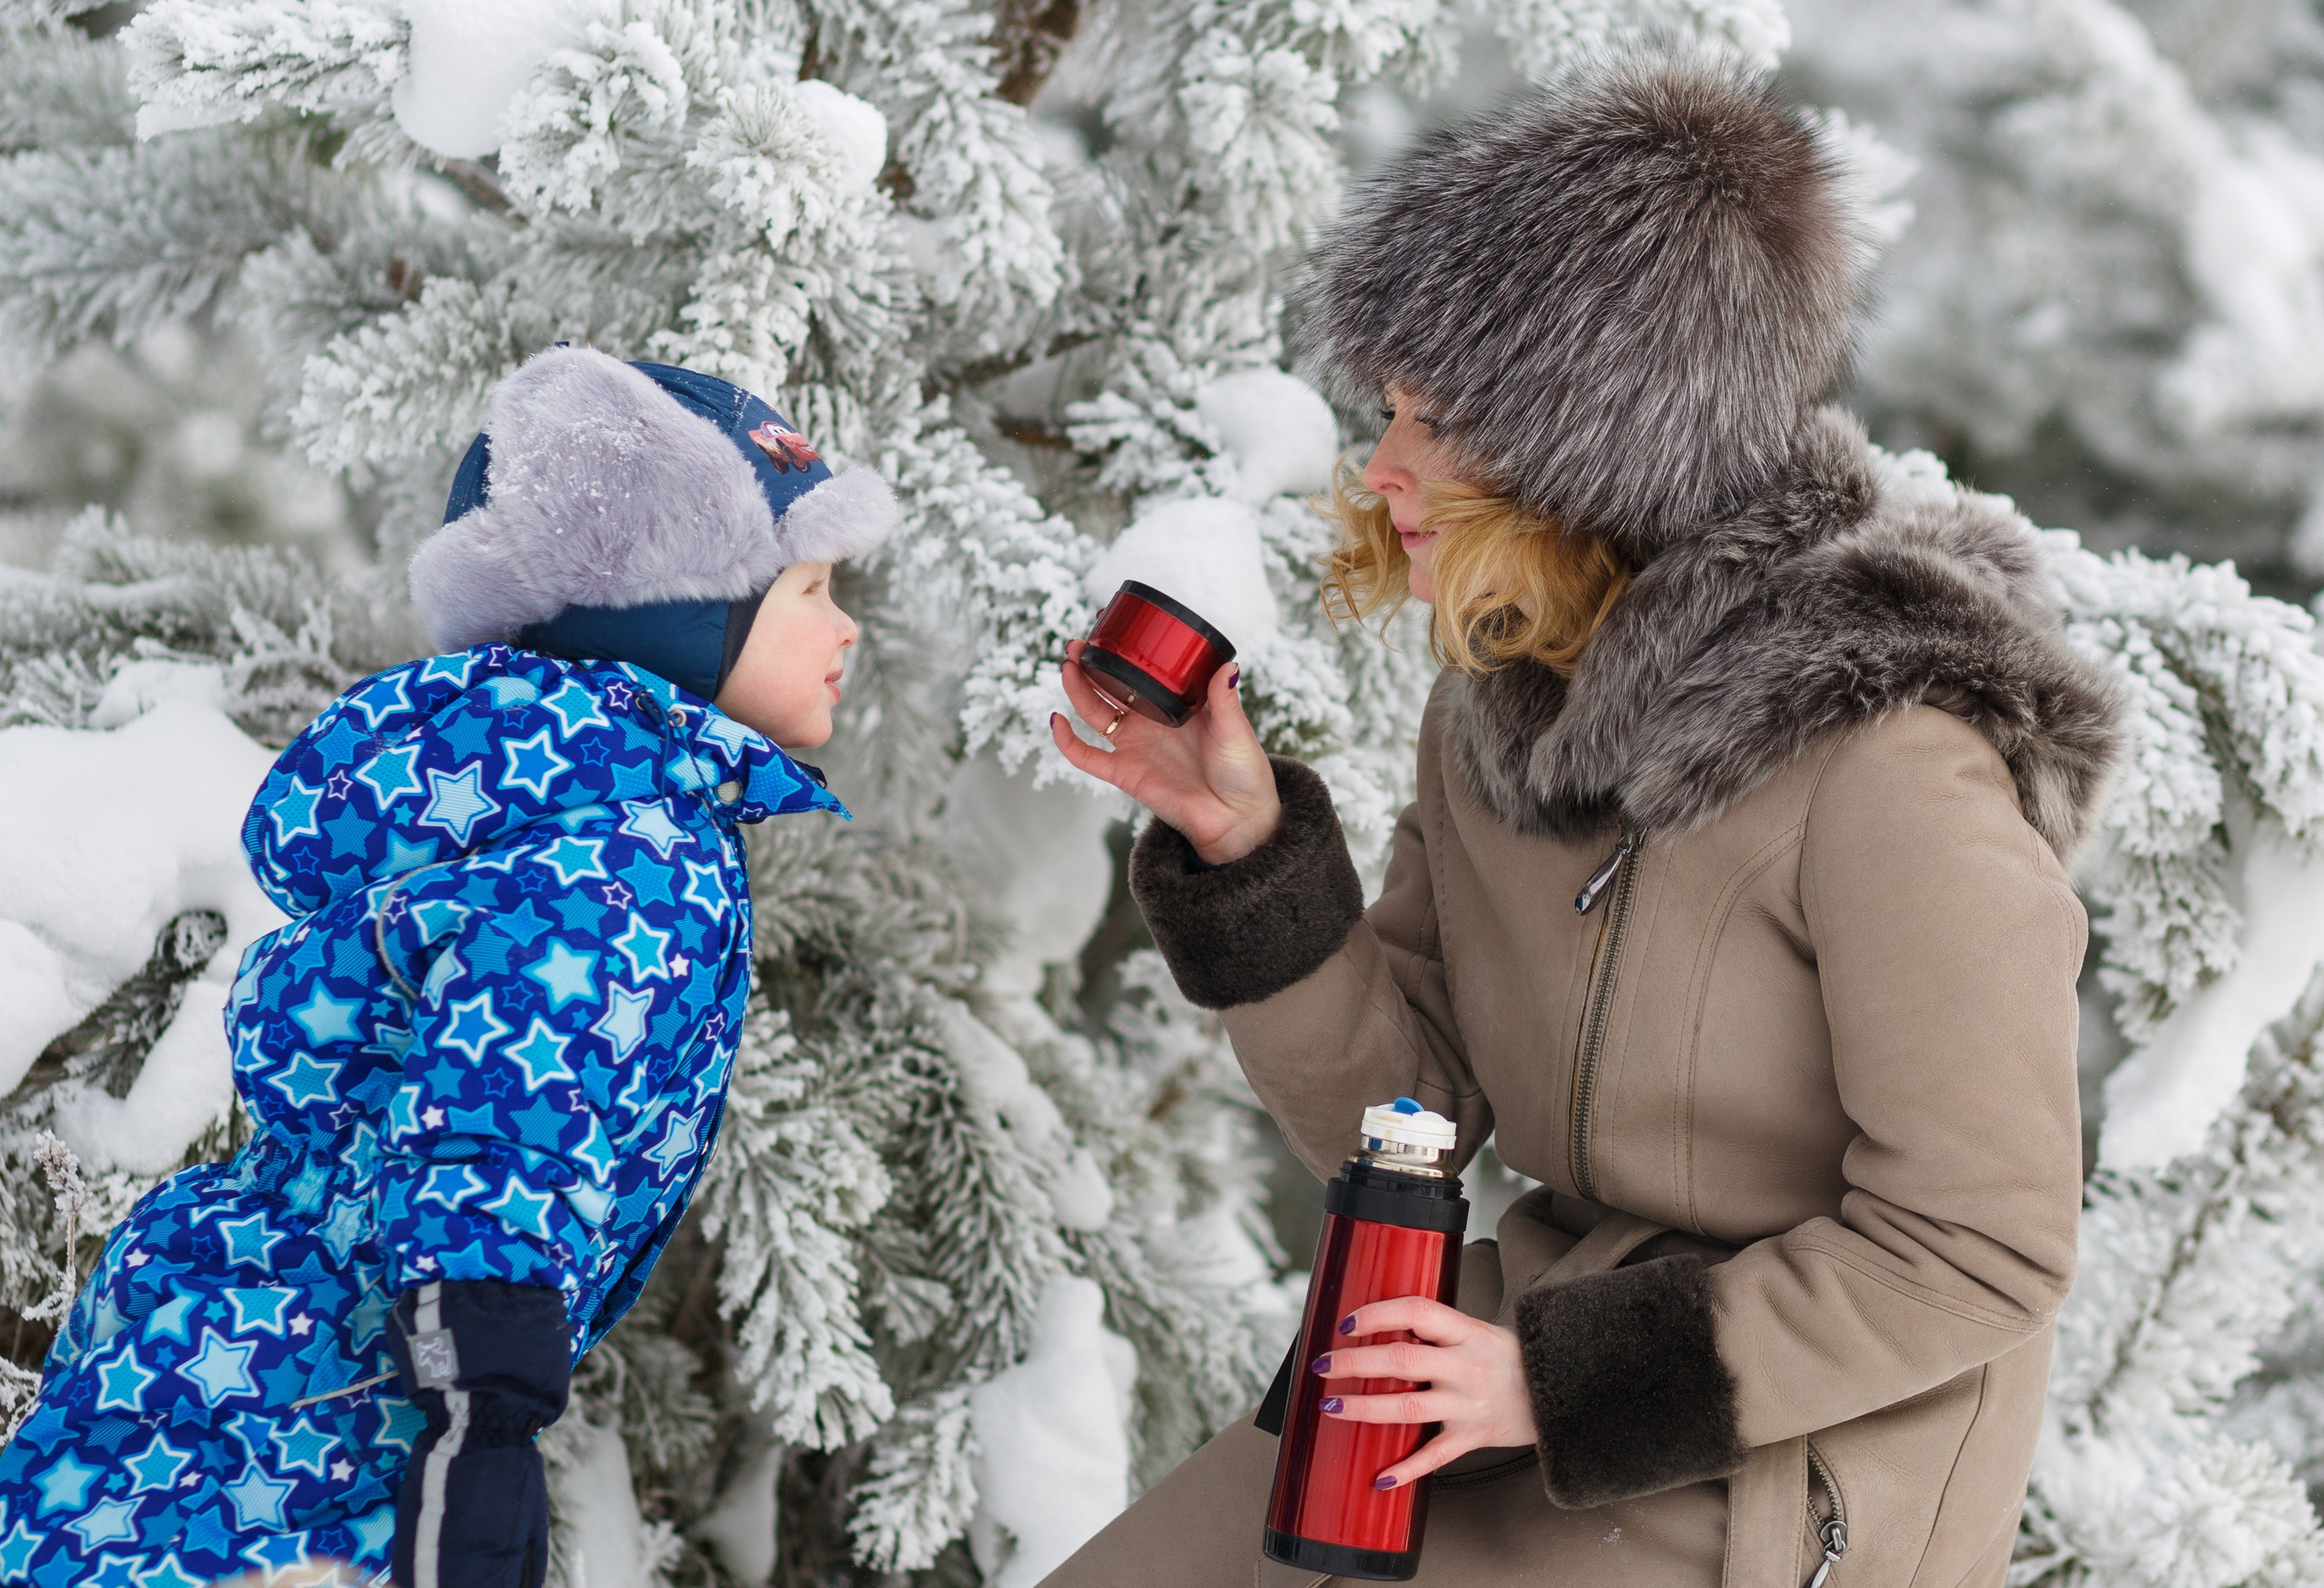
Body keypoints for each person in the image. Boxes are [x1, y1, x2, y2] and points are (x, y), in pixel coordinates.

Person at [1043, 54, 2124, 1588]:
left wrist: (1551, 1381)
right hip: (1506, 1354)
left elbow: (1982, 1248)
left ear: (1584, 448)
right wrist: (1246, 854)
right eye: (1388, 410)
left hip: (1774, 1451)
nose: (1383, 468)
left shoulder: (1892, 761)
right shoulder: (1502, 707)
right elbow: (1411, 1119)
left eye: (1438, 423)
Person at [0, 346, 898, 1588]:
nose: (846, 624)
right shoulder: (622, 845)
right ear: (680, 608)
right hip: (302, 1405)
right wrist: (488, 1400)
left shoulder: (559, 798)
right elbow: (502, 1099)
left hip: (241, 1346)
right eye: (808, 587)